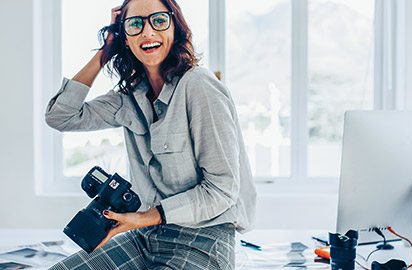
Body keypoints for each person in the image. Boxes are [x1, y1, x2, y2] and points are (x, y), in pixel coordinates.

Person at [45, 0, 256, 269]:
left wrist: (142, 218)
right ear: (125, 38)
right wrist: (105, 52)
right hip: (145, 239)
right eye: (135, 24)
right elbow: (60, 116)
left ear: (175, 28)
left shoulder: (199, 86)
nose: (147, 32)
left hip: (203, 241)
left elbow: (221, 191)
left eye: (158, 20)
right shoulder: (128, 97)